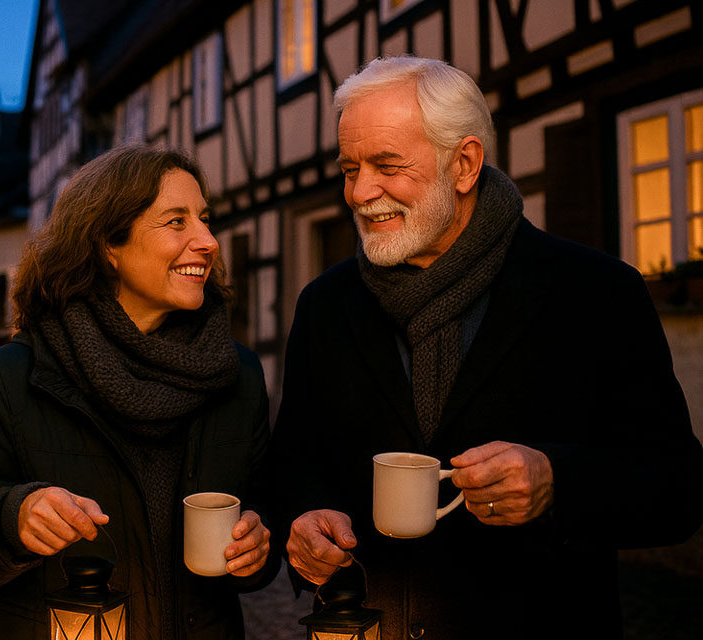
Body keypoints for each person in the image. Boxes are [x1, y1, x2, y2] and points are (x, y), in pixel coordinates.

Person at [267, 56, 703, 639]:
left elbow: (677, 487)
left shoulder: (594, 291)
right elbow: (293, 463)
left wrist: (557, 480)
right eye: (350, 168)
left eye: (387, 165)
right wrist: (301, 520)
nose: (360, 191)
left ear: (465, 164)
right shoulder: (324, 305)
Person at [0, 144, 279, 639]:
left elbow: (267, 513)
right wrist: (10, 521)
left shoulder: (238, 374)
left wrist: (259, 545)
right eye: (176, 222)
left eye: (205, 219)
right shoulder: (13, 377)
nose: (208, 241)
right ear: (108, 245)